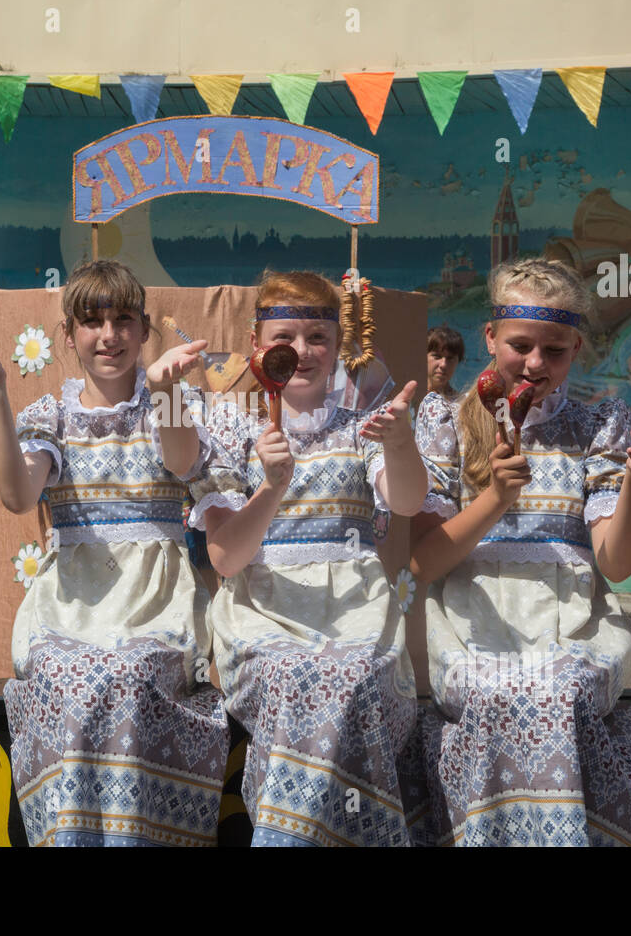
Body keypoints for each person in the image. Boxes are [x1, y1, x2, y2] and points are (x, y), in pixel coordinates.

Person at [0, 259, 229, 847]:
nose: (109, 335)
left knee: (133, 672)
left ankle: (140, 835)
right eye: (92, 321)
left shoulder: (168, 400)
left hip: (154, 600)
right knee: (64, 673)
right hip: (72, 601)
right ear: (68, 335)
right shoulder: (50, 415)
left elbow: (184, 461)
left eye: (123, 320)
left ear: (142, 330)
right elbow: (16, 494)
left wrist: (165, 392)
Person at [412, 257, 631, 846]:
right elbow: (423, 563)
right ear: (490, 338)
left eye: (554, 351)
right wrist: (495, 500)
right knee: (500, 689)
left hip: (574, 627)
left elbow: (614, 563)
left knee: (553, 687)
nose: (534, 363)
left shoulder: (595, 424)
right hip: (470, 627)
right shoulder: (446, 421)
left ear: (577, 346)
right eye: (520, 345)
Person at [190, 270, 426, 846]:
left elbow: (407, 500)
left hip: (355, 609)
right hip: (262, 611)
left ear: (339, 348)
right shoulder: (231, 431)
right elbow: (225, 559)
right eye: (285, 337)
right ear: (257, 348)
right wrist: (271, 486)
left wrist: (398, 444)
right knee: (299, 676)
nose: (301, 351)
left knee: (349, 675)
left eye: (318, 337)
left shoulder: (362, 430)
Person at [427, 325, 465, 402]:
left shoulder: (461, 404)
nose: (443, 364)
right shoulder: (408, 398)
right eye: (437, 356)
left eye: (450, 358)